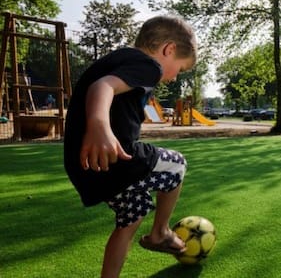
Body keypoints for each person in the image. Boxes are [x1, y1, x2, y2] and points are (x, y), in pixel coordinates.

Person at [63, 15, 198, 278]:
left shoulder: (120, 60)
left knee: (132, 215)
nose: (172, 78)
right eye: (179, 69)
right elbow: (102, 87)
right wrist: (99, 126)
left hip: (85, 165)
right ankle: (160, 232)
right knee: (177, 165)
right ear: (168, 50)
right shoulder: (149, 65)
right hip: (112, 156)